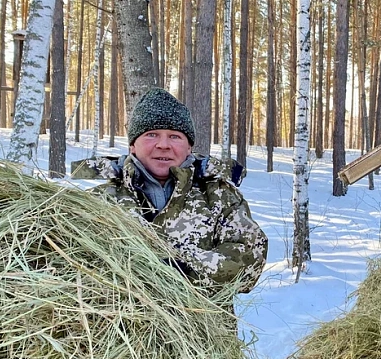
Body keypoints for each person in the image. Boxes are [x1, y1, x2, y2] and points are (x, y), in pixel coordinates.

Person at [72, 88, 267, 292]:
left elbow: (249, 262)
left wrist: (179, 265)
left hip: (198, 321)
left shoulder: (220, 197)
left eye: (174, 136)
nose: (163, 145)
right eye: (152, 134)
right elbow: (76, 265)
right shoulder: (100, 200)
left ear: (189, 147)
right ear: (132, 146)